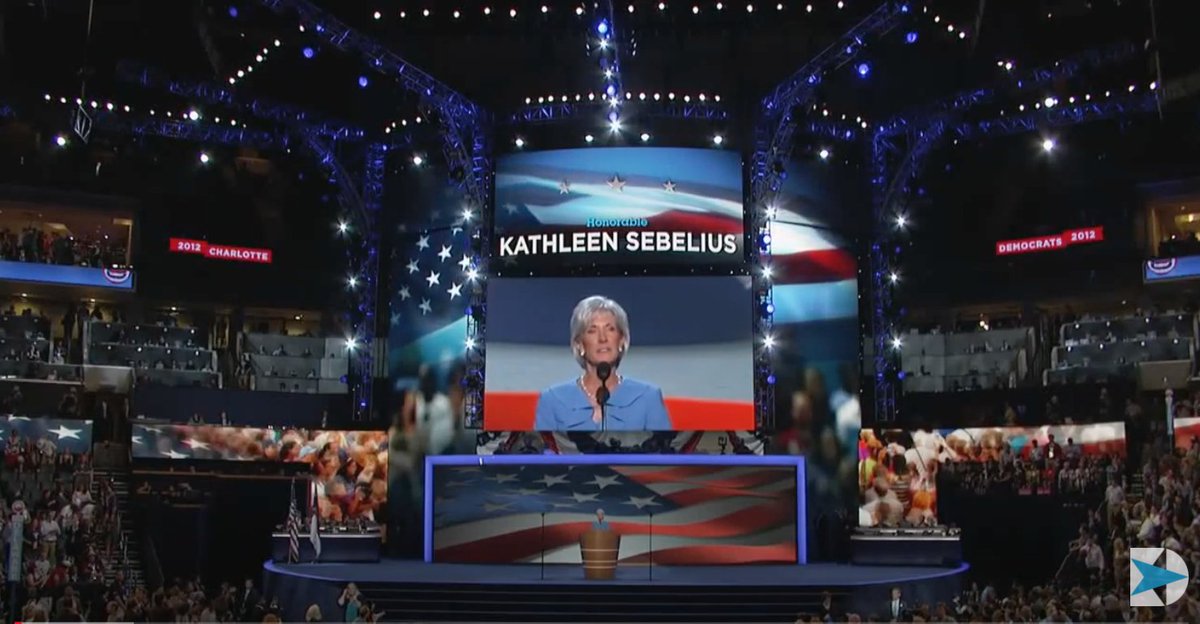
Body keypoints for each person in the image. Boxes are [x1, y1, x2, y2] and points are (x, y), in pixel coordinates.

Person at [533, 296, 671, 431]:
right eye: (592, 331)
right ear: (579, 344)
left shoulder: (648, 397)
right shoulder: (552, 400)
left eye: (610, 329)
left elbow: (663, 452)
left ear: (621, 341)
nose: (603, 338)